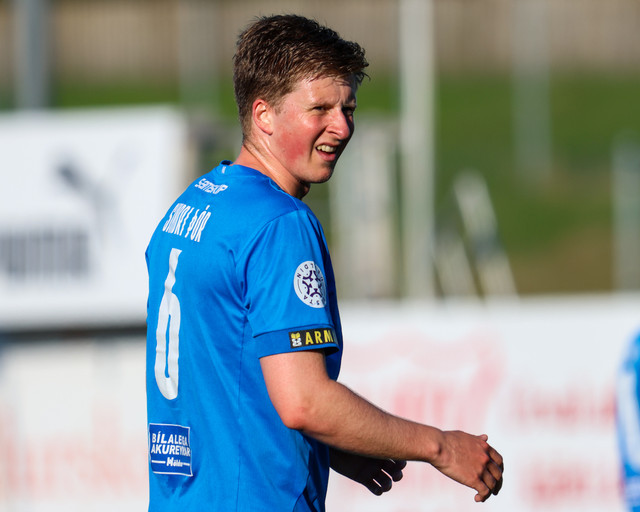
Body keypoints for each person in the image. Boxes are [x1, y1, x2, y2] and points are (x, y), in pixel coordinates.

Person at [145, 14, 503, 511]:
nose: (342, 126)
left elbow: (231, 372)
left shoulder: (191, 207)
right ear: (264, 115)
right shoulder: (279, 224)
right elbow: (303, 400)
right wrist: (441, 447)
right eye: (320, 109)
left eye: (348, 108)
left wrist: (331, 446)